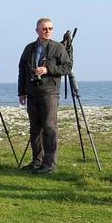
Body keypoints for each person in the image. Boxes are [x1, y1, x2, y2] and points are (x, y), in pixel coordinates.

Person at [17, 18, 73, 174]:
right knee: (35, 128)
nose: (47, 31)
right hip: (32, 92)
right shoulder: (29, 48)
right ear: (37, 30)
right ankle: (37, 161)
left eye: (50, 28)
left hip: (49, 92)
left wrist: (48, 69)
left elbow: (67, 67)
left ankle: (50, 163)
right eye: (44, 29)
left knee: (49, 127)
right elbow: (22, 70)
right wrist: (21, 91)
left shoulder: (58, 47)